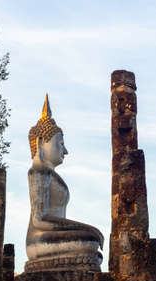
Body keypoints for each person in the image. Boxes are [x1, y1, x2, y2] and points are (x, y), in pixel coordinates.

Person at [25, 94, 103, 271]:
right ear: (40, 143)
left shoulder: (51, 174)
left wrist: (86, 229)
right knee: (90, 240)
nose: (65, 150)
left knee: (93, 247)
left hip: (53, 239)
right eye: (60, 144)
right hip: (39, 240)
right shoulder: (38, 172)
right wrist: (86, 227)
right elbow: (39, 220)